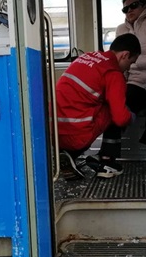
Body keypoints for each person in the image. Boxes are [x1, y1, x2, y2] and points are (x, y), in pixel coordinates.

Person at [57, 33, 141, 180]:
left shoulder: (86, 57)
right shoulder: (113, 73)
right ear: (125, 55)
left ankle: (63, 155)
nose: (129, 68)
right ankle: (107, 161)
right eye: (131, 63)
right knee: (115, 110)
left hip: (53, 131)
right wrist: (131, 117)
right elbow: (120, 118)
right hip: (76, 136)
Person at [99, 0, 146, 174]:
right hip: (135, 78)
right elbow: (120, 59)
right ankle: (108, 156)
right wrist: (120, 82)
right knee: (116, 105)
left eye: (133, 6)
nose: (129, 11)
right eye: (125, 9)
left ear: (145, 5)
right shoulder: (121, 29)